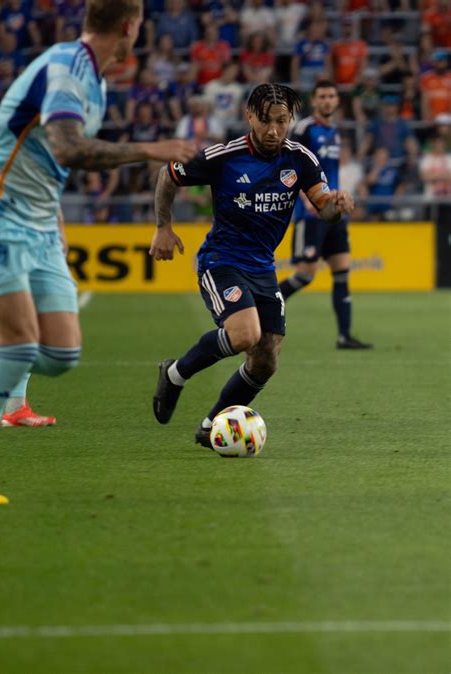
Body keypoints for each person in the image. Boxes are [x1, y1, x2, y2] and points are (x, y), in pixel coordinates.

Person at [0, 0, 196, 505]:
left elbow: (59, 161)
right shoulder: (67, 67)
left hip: (39, 224)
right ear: (130, 26)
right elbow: (69, 148)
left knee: (59, 353)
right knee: (16, 347)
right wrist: (148, 149)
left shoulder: (94, 80)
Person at [149, 83, 355, 450]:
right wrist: (164, 226)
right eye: (265, 121)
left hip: (263, 267)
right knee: (245, 335)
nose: (274, 130)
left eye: (282, 121)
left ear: (291, 119)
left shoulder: (301, 159)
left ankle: (211, 424)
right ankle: (176, 373)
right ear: (249, 117)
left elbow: (323, 208)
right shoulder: (223, 155)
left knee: (266, 359)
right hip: (221, 261)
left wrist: (336, 205)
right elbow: (169, 174)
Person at [279, 80, 372, 350]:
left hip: (334, 213)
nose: (328, 100)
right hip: (310, 215)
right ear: (315, 101)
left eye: (332, 95)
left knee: (342, 272)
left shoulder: (333, 131)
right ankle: (262, 307)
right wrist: (305, 197)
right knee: (305, 276)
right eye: (323, 96)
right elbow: (287, 165)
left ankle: (344, 336)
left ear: (337, 100)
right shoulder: (304, 129)